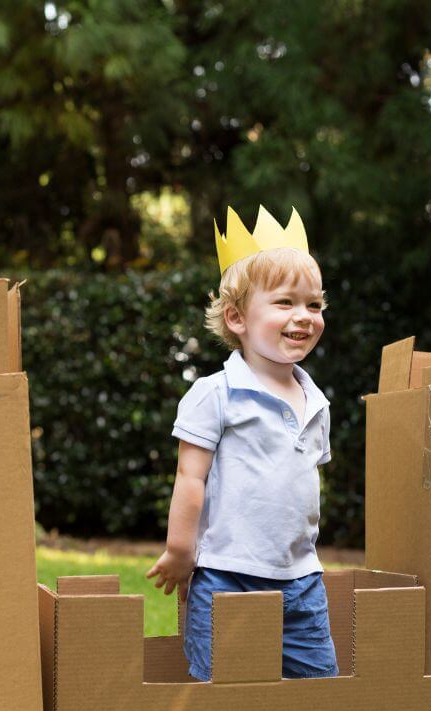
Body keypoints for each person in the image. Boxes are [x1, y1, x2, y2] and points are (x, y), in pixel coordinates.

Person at [145, 205, 337, 682]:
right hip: (228, 576)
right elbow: (191, 477)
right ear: (236, 318)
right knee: (225, 691)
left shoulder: (316, 401)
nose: (304, 317)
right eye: (284, 303)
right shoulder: (217, 393)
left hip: (301, 581)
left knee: (320, 691)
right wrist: (180, 550)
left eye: (313, 305)